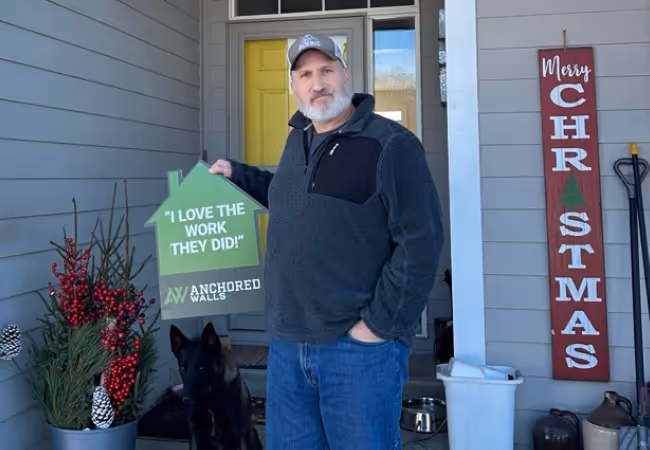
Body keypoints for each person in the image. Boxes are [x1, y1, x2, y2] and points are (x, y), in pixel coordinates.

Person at [209, 33, 444, 450]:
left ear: (345, 74)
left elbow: (421, 242)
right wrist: (239, 176)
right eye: (305, 74)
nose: (317, 83)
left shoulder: (391, 145)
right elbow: (291, 197)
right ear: (293, 86)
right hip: (286, 345)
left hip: (356, 351)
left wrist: (376, 327)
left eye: (326, 70)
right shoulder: (298, 138)